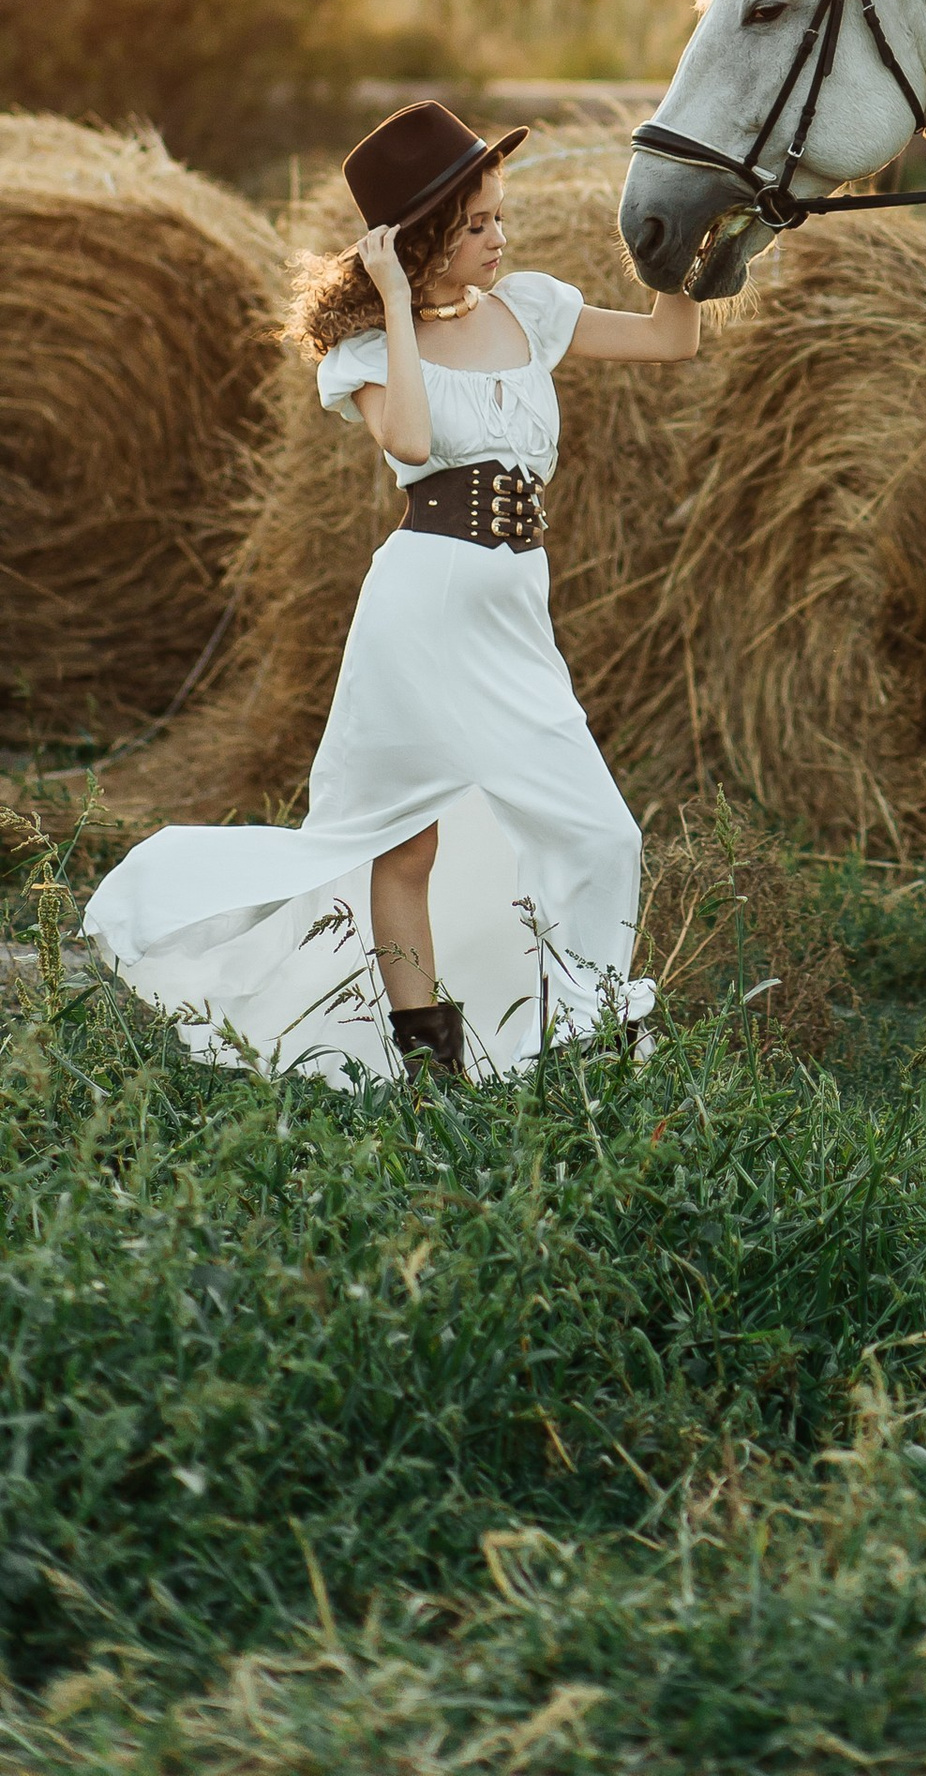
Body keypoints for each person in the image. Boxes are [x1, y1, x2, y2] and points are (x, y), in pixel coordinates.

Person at [86, 101, 700, 1085]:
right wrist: (397, 307)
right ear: (419, 241)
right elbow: (411, 442)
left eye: (499, 217)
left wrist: (696, 253)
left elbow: (672, 342)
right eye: (475, 226)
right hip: (419, 608)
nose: (500, 239)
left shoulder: (534, 309)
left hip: (510, 611)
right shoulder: (364, 350)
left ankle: (579, 1024)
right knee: (401, 847)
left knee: (600, 831)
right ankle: (432, 1071)